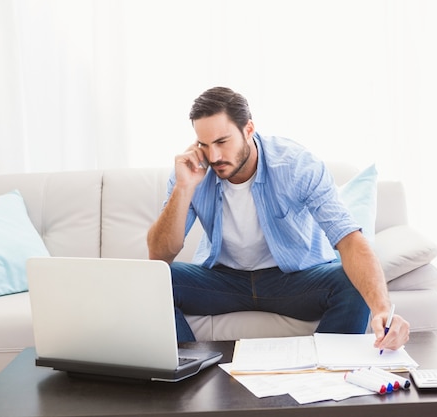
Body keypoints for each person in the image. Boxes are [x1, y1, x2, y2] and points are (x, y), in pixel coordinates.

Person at [147, 86, 409, 351]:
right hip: (223, 280)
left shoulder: (296, 165)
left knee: (350, 284)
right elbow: (159, 255)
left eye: (222, 142)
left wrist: (383, 310)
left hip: (293, 280)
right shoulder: (191, 171)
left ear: (248, 130)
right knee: (156, 280)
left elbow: (349, 239)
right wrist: (183, 189)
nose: (213, 156)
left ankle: (327, 372)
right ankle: (189, 371)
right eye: (204, 144)